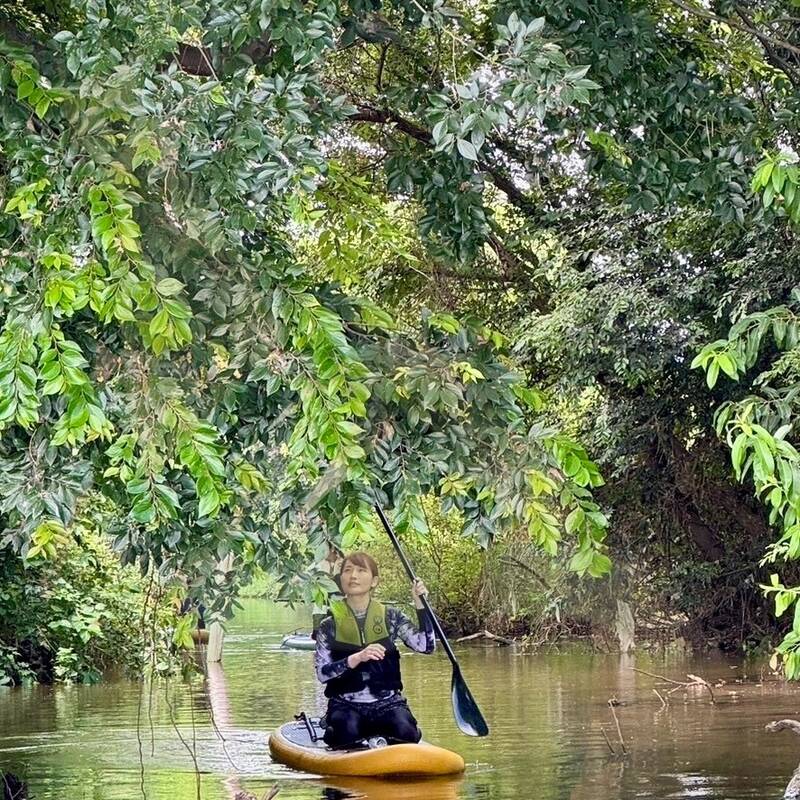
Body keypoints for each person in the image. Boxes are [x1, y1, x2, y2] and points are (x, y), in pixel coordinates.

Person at [314, 551, 434, 749]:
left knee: (406, 732)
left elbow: (426, 646)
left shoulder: (391, 617)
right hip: (346, 704)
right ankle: (338, 730)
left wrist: (421, 605)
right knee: (347, 732)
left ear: (374, 581)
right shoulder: (329, 625)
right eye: (348, 571)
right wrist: (355, 658)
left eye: (361, 571)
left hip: (387, 702)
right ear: (340, 579)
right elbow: (322, 673)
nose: (353, 576)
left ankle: (389, 735)